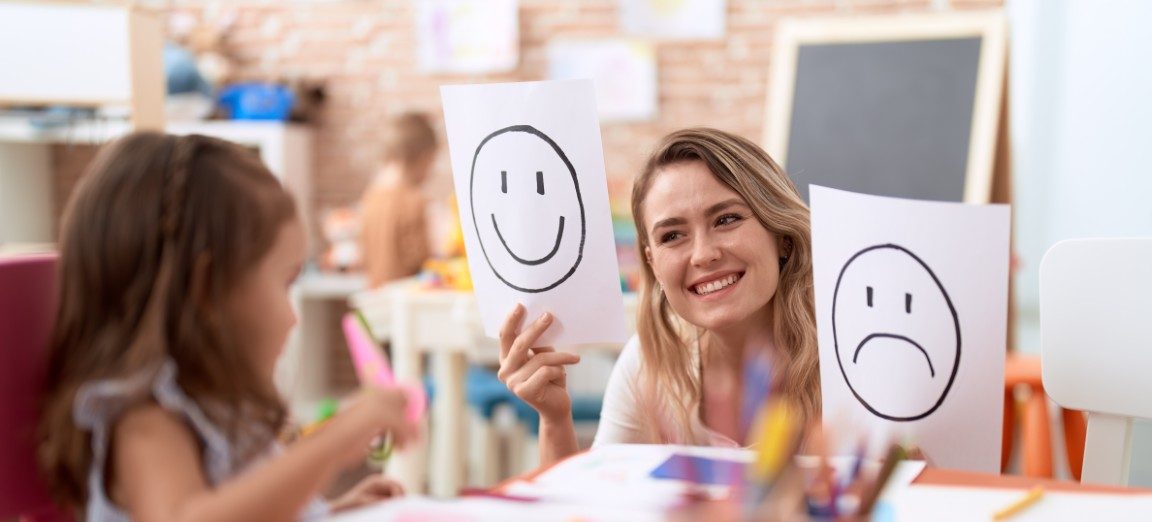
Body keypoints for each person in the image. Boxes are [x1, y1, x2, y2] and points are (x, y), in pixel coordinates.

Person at [38, 132, 418, 521]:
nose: (292, 317)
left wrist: (333, 511)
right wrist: (333, 444)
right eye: (284, 282)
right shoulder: (147, 417)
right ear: (209, 290)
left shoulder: (225, 412)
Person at [497, 128, 820, 466]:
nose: (702, 255)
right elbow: (584, 511)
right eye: (673, 236)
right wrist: (554, 420)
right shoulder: (649, 364)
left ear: (781, 235)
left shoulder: (849, 362)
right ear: (653, 263)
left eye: (726, 219)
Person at [359, 112, 439, 288]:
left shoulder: (370, 197)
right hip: (405, 306)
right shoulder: (414, 200)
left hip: (375, 302)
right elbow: (422, 262)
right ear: (423, 158)